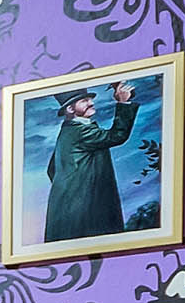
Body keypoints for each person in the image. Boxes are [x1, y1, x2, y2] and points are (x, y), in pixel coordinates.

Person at [42, 81, 142, 244]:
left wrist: (68, 191)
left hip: (68, 209)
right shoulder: (80, 131)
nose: (91, 103)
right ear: (70, 109)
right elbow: (117, 136)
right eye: (84, 101)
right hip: (84, 208)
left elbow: (52, 169)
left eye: (90, 99)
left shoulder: (67, 131)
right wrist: (123, 103)